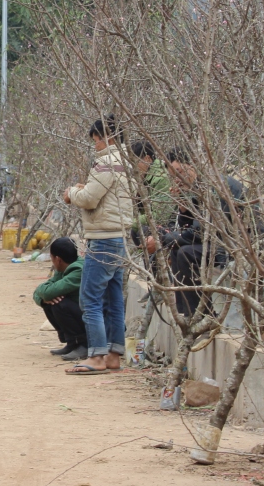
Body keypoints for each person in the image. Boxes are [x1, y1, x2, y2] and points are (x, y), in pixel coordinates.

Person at [63, 115, 134, 374]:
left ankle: (96, 356)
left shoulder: (106, 162)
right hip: (120, 236)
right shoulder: (129, 162)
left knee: (90, 299)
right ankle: (114, 354)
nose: (95, 146)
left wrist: (72, 193)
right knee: (114, 299)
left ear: (107, 137)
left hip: (103, 237)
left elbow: (91, 199)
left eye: (96, 141)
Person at [145, 147, 249, 319]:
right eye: (173, 176)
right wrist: (182, 205)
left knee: (186, 253)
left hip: (238, 244)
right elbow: (189, 226)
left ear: (192, 166)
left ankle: (204, 314)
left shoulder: (213, 186)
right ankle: (190, 313)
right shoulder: (196, 188)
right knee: (178, 250)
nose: (177, 179)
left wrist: (164, 239)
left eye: (179, 172)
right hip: (219, 240)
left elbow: (200, 232)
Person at [33, 238, 87, 360]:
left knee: (60, 304)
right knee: (49, 302)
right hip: (81, 312)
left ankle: (84, 344)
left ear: (58, 259)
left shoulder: (78, 270)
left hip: (93, 315)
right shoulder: (63, 268)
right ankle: (72, 343)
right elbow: (39, 293)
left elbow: (47, 292)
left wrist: (45, 295)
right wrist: (43, 299)